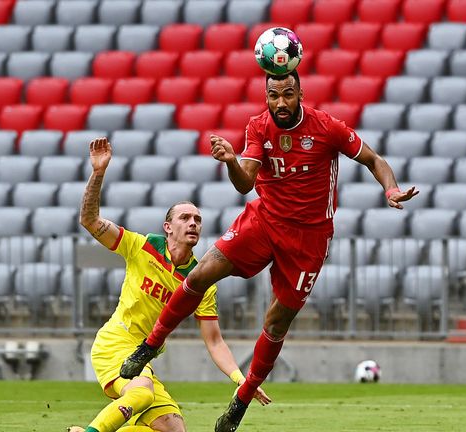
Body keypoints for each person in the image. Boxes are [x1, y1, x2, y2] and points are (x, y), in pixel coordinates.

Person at [120, 69, 418, 431]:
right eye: (274, 95)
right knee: (200, 275)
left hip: (308, 240)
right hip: (263, 221)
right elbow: (245, 182)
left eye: (288, 95)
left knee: (277, 322)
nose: (280, 102)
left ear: (300, 93)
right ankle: (149, 346)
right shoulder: (259, 127)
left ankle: (241, 401)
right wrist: (231, 160)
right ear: (267, 96)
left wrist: (390, 189)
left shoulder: (326, 127)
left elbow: (374, 160)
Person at [70, 137, 270, 432]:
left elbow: (214, 341)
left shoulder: (200, 280)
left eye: (198, 220)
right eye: (185, 218)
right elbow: (89, 220)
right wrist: (98, 172)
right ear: (168, 227)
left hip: (142, 357)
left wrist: (242, 380)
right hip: (115, 343)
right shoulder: (141, 246)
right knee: (142, 393)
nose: (193, 223)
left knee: (173, 429)